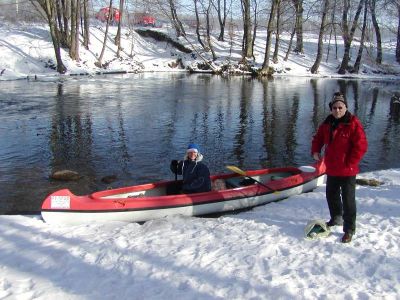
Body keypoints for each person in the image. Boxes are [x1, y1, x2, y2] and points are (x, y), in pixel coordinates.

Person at [311, 92, 368, 243]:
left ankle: (349, 229)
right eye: (335, 107)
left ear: (345, 108)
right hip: (332, 168)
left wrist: (350, 162)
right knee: (331, 195)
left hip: (348, 170)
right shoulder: (327, 123)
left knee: (348, 200)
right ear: (331, 109)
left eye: (340, 107)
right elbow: (318, 138)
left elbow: (361, 146)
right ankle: (336, 218)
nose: (337, 110)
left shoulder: (353, 123)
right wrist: (315, 151)